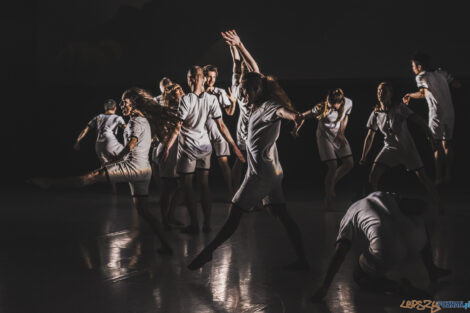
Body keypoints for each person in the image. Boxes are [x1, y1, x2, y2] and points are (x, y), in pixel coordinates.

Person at [187, 30, 309, 271]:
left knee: (235, 215)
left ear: (257, 90)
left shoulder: (267, 105)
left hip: (261, 173)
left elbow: (278, 105)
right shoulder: (242, 92)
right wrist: (235, 47)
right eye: (240, 88)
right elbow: (240, 65)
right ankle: (303, 260)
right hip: (270, 167)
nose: (240, 93)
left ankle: (209, 252)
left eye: (245, 90)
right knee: (281, 214)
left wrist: (295, 116)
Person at [29, 88, 173, 255]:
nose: (121, 105)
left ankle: (50, 183)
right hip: (144, 170)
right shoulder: (145, 121)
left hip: (132, 167)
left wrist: (115, 160)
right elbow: (145, 140)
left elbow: (131, 144)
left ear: (134, 103)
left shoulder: (135, 122)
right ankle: (167, 245)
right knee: (144, 211)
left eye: (124, 102)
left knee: (91, 177)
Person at [310, 191, 451, 302]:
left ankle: (397, 288)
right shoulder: (380, 195)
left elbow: (341, 250)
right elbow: (416, 206)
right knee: (416, 220)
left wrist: (324, 286)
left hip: (388, 250)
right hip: (417, 240)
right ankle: (431, 269)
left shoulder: (350, 212)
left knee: (359, 275)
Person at [159, 66, 245, 234]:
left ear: (194, 79)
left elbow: (178, 127)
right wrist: (234, 146)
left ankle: (195, 224)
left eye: (191, 77)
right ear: (204, 79)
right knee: (204, 184)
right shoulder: (211, 99)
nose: (191, 80)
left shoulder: (186, 100)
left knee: (188, 186)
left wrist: (167, 147)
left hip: (189, 148)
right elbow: (221, 125)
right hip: (205, 147)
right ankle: (206, 224)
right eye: (191, 77)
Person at [360, 82, 444, 214]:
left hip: (407, 149)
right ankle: (374, 208)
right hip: (389, 148)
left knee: (423, 178)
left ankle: (439, 203)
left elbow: (420, 121)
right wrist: (364, 156)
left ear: (390, 94)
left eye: (384, 91)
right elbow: (370, 136)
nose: (380, 93)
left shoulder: (399, 108)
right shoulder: (376, 112)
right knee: (373, 176)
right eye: (378, 91)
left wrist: (432, 138)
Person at [403, 53, 461, 185]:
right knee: (447, 144)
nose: (412, 69)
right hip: (450, 112)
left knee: (436, 146)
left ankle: (438, 178)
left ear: (419, 66)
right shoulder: (441, 72)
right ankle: (448, 175)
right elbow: (457, 84)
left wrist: (410, 95)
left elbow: (422, 93)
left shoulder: (421, 76)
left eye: (413, 66)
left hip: (436, 114)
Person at [295, 89, 354, 210]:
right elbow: (303, 116)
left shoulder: (348, 103)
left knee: (349, 164)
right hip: (324, 137)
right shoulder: (321, 108)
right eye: (331, 106)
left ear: (341, 102)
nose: (333, 109)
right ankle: (328, 198)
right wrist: (296, 128)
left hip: (337, 135)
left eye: (335, 107)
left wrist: (341, 133)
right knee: (332, 166)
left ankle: (331, 184)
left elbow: (345, 117)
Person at [223, 30, 260, 191]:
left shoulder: (237, 86)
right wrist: (238, 45)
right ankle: (248, 194)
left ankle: (234, 191)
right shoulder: (254, 85)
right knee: (253, 163)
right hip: (253, 128)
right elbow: (253, 66)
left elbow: (236, 63)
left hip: (242, 127)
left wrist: (233, 47)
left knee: (241, 161)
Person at [74, 99, 126, 193]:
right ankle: (134, 186)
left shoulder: (98, 117)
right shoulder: (118, 118)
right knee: (129, 156)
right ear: (115, 108)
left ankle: (114, 191)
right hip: (110, 141)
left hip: (98, 145)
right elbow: (127, 130)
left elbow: (86, 129)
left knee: (107, 168)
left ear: (105, 108)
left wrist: (78, 141)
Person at [203, 64, 237, 201]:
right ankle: (203, 195)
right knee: (202, 168)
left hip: (218, 133)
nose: (211, 80)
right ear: (203, 76)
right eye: (209, 76)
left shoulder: (219, 92)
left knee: (224, 163)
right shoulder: (197, 93)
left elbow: (229, 112)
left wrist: (233, 102)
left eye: (214, 77)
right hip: (202, 135)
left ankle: (231, 193)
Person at [154, 83, 185, 230]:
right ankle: (165, 220)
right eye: (177, 90)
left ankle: (170, 215)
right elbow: (159, 129)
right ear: (172, 95)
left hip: (179, 149)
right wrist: (164, 143)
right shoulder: (166, 111)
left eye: (180, 88)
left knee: (182, 184)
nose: (181, 91)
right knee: (168, 186)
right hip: (169, 149)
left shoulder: (183, 107)